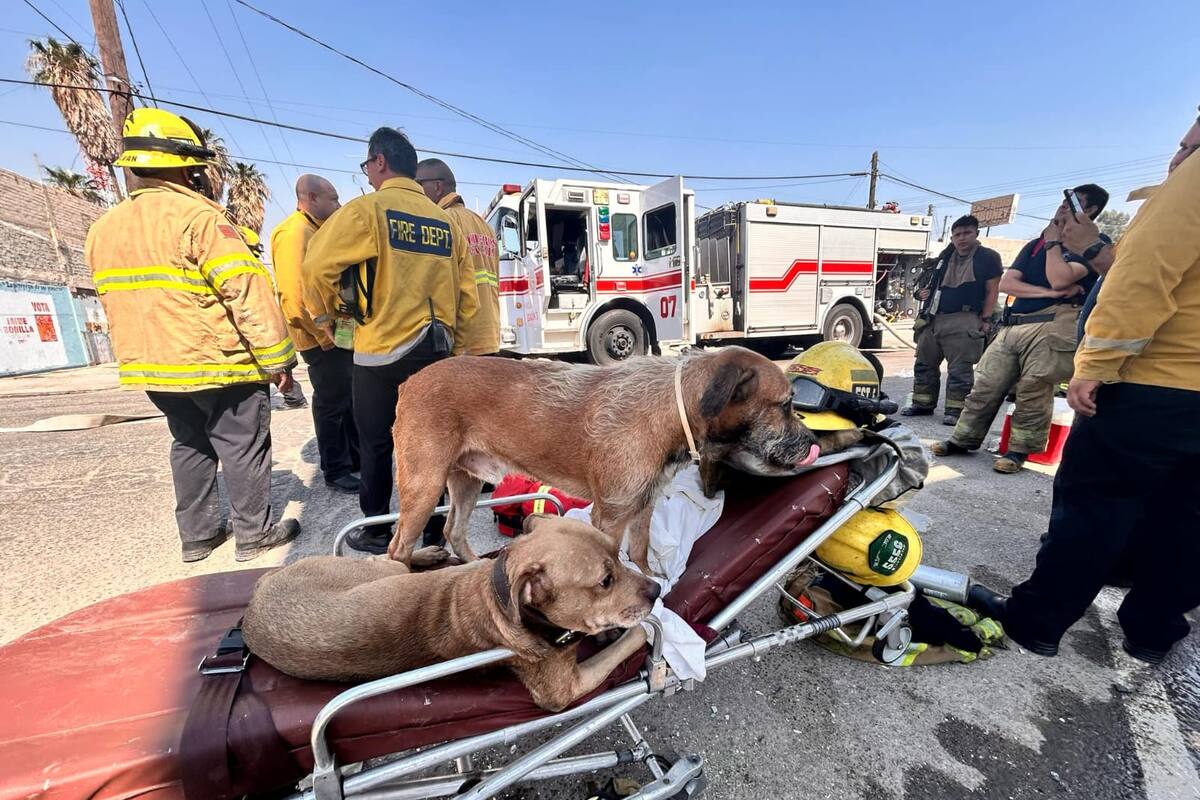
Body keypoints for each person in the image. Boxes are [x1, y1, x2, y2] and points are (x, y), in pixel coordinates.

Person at [974, 114, 1200, 685]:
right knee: (1188, 519)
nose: (1178, 154)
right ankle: (1152, 630)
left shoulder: (1193, 183)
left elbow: (1143, 275)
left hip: (1155, 385)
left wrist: (1096, 365)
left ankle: (1038, 622)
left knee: (1094, 506)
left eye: (1186, 142)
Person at [84, 108, 300, 563]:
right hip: (219, 363)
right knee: (242, 446)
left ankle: (198, 537)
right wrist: (280, 361)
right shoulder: (199, 219)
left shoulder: (103, 229)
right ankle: (254, 534)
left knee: (189, 444)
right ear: (186, 165)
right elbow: (244, 290)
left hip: (157, 368)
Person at [302, 128, 478, 554]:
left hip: (380, 352)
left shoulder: (368, 211)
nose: (367, 174)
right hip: (437, 351)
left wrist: (331, 318)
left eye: (367, 166)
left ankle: (379, 529)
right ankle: (433, 528)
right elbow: (467, 295)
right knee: (436, 444)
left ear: (379, 162)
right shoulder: (444, 221)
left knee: (377, 442)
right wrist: (459, 349)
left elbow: (315, 270)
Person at [930, 184, 1109, 473]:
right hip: (1016, 325)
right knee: (985, 384)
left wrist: (1053, 246)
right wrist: (1049, 292)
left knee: (1033, 389)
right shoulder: (1036, 244)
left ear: (1088, 211)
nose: (1063, 207)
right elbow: (1008, 284)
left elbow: (1061, 278)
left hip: (1054, 324)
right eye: (1063, 202)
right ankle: (963, 439)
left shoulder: (1093, 243)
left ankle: (1018, 451)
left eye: (1072, 204)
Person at [270, 174, 361, 494]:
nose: (338, 205)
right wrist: (326, 336)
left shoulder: (317, 230)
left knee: (348, 398)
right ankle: (335, 469)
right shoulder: (295, 234)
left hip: (340, 334)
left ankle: (354, 460)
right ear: (310, 198)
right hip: (323, 338)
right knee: (331, 403)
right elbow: (294, 300)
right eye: (333, 199)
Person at [902, 215, 1002, 425]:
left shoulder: (987, 257)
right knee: (924, 364)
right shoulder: (944, 257)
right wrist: (922, 293)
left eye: (967, 233)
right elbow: (929, 284)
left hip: (965, 318)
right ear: (952, 237)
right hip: (934, 318)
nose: (962, 238)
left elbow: (992, 290)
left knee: (959, 369)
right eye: (957, 235)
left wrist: (986, 319)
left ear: (976, 233)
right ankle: (922, 404)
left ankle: (955, 411)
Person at [414, 159, 501, 355]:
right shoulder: (484, 225)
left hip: (459, 340)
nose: (415, 190)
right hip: (489, 334)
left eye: (418, 184)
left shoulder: (440, 222)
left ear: (437, 186)